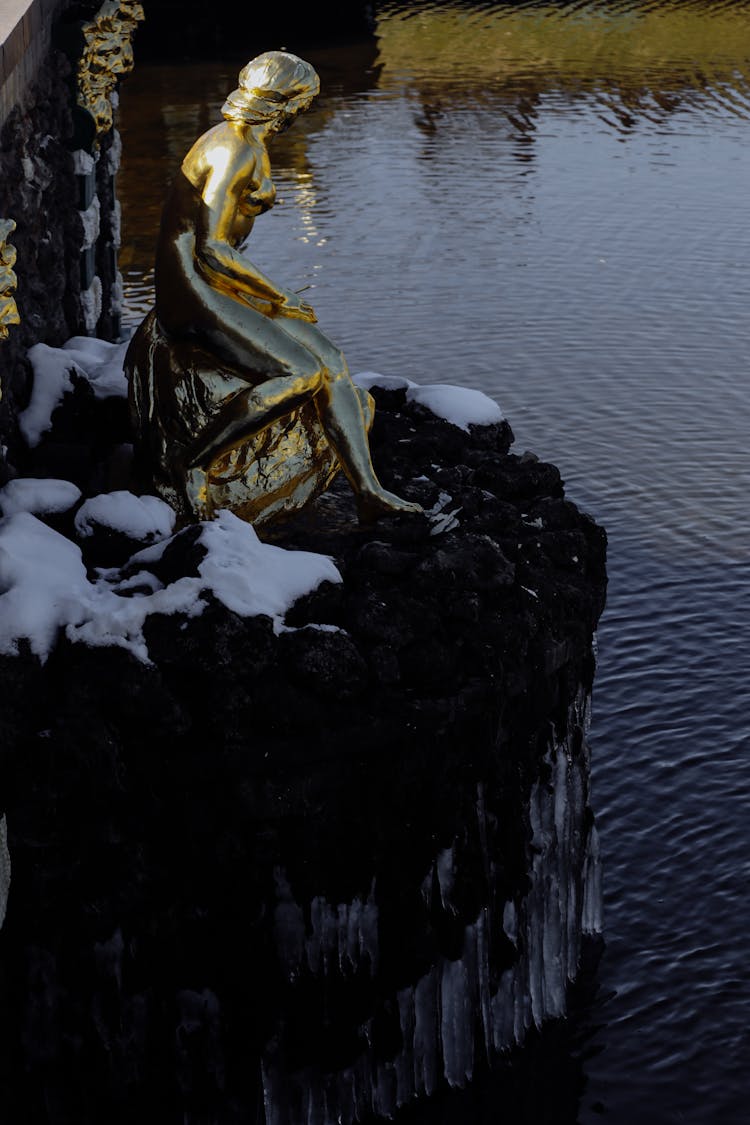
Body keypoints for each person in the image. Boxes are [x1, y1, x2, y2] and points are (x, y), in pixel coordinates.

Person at [144, 50, 420, 524]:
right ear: (287, 102)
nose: (304, 114)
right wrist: (279, 295)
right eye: (304, 103)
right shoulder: (232, 149)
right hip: (191, 283)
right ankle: (190, 461)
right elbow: (210, 247)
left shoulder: (246, 139)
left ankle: (368, 492)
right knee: (299, 373)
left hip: (221, 280)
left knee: (331, 362)